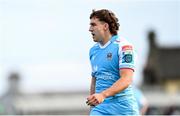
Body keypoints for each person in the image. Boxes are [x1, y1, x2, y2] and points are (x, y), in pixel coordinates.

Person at [86, 9, 139, 115]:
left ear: (105, 26)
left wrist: (103, 95)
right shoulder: (93, 51)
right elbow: (95, 79)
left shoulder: (124, 47)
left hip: (124, 110)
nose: (89, 29)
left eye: (93, 25)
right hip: (101, 109)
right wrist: (92, 104)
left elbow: (126, 79)